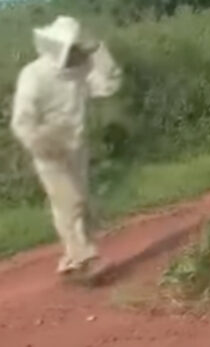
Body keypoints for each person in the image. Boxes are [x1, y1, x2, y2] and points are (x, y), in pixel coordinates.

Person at [11, 16, 122, 280]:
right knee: (70, 202)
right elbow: (22, 121)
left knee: (78, 203)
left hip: (76, 148)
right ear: (58, 47)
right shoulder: (34, 75)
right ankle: (86, 259)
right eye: (74, 47)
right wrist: (41, 143)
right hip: (49, 150)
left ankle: (72, 261)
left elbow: (108, 85)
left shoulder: (80, 70)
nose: (78, 53)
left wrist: (99, 50)